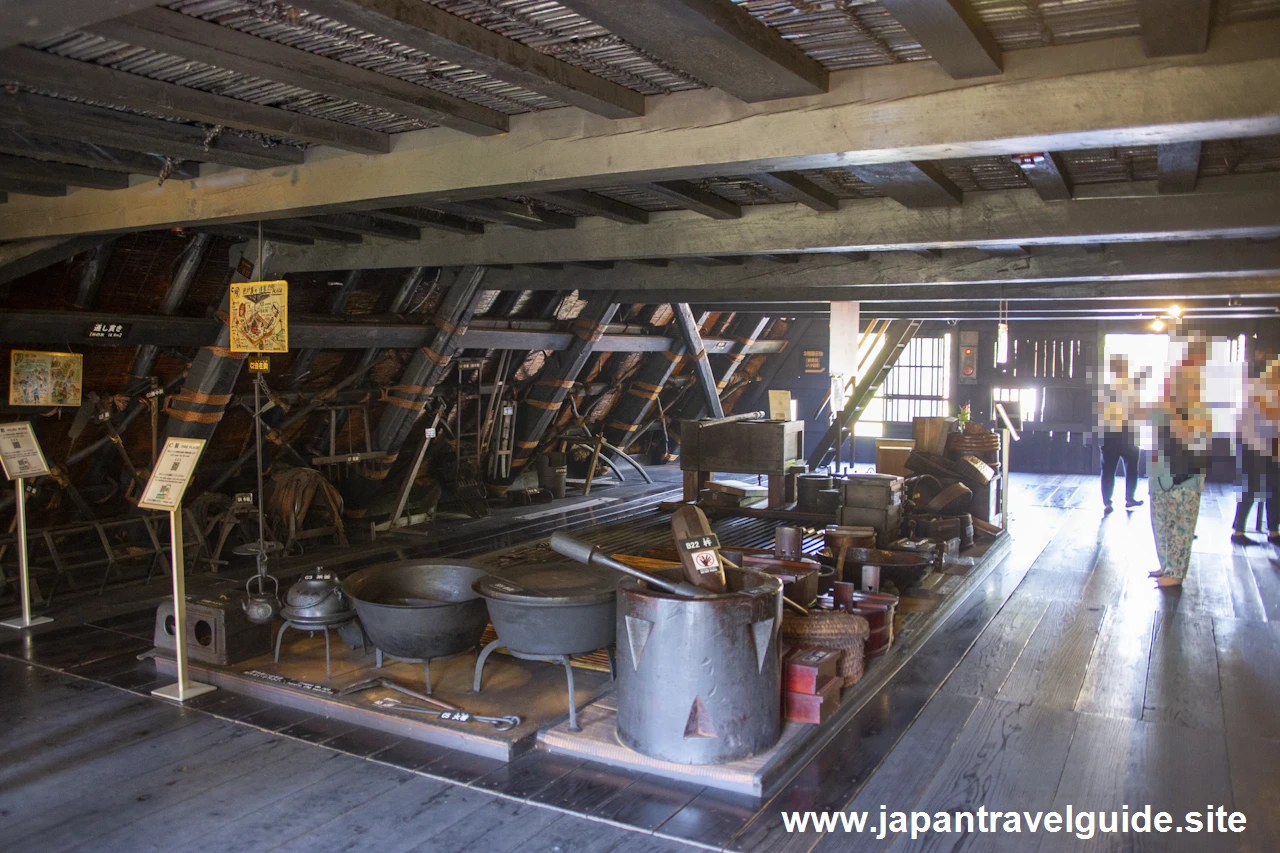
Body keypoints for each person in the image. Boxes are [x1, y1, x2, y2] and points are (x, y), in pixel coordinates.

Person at [1148, 339, 1212, 588]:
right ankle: (1166, 565)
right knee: (1160, 521)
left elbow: (1190, 436)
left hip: (1185, 475)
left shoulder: (1199, 406)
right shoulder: (1164, 402)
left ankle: (1176, 572)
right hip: (1161, 471)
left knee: (1180, 526)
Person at [1232, 356, 1280, 545]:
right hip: (1253, 446)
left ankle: (1274, 531)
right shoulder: (1257, 392)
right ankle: (1239, 531)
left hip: (1267, 447)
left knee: (1275, 489)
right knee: (1251, 488)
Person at [1098, 354, 1144, 512]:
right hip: (1119, 435)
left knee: (1115, 470)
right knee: (1116, 470)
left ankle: (1117, 501)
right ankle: (1118, 501)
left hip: (1120, 435)